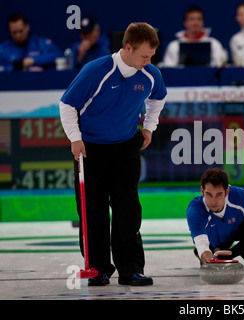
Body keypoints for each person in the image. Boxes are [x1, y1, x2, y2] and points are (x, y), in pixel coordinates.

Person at [59, 22, 167, 286]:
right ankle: (97, 268)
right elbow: (67, 104)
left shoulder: (150, 74)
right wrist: (75, 138)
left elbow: (158, 99)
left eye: (151, 56)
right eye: (144, 55)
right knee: (92, 209)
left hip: (126, 146)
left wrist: (149, 128)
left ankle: (130, 268)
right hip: (91, 148)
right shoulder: (96, 71)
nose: (148, 61)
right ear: (127, 48)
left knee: (127, 207)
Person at [162, 5, 228, 67]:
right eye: (191, 19)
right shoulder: (174, 46)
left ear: (203, 22)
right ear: (185, 23)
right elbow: (169, 70)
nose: (195, 22)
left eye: (199, 19)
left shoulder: (214, 43)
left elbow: (220, 67)